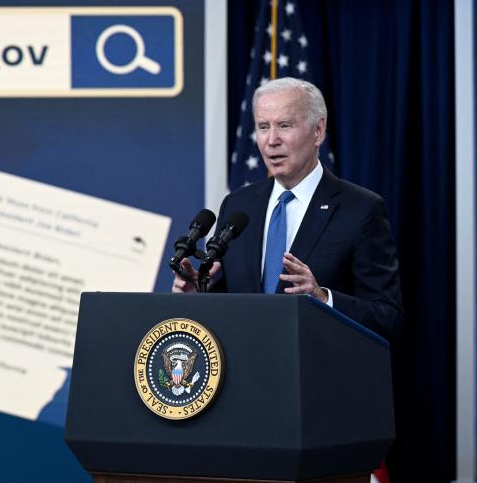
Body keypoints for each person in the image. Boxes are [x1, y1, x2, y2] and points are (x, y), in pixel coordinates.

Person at [173, 77, 404, 342]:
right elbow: (228, 300)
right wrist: (198, 294)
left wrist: (322, 298)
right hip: (246, 374)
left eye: (285, 125)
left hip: (317, 375)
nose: (272, 140)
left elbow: (388, 318)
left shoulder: (361, 210)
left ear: (318, 130)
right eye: (263, 127)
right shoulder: (238, 206)